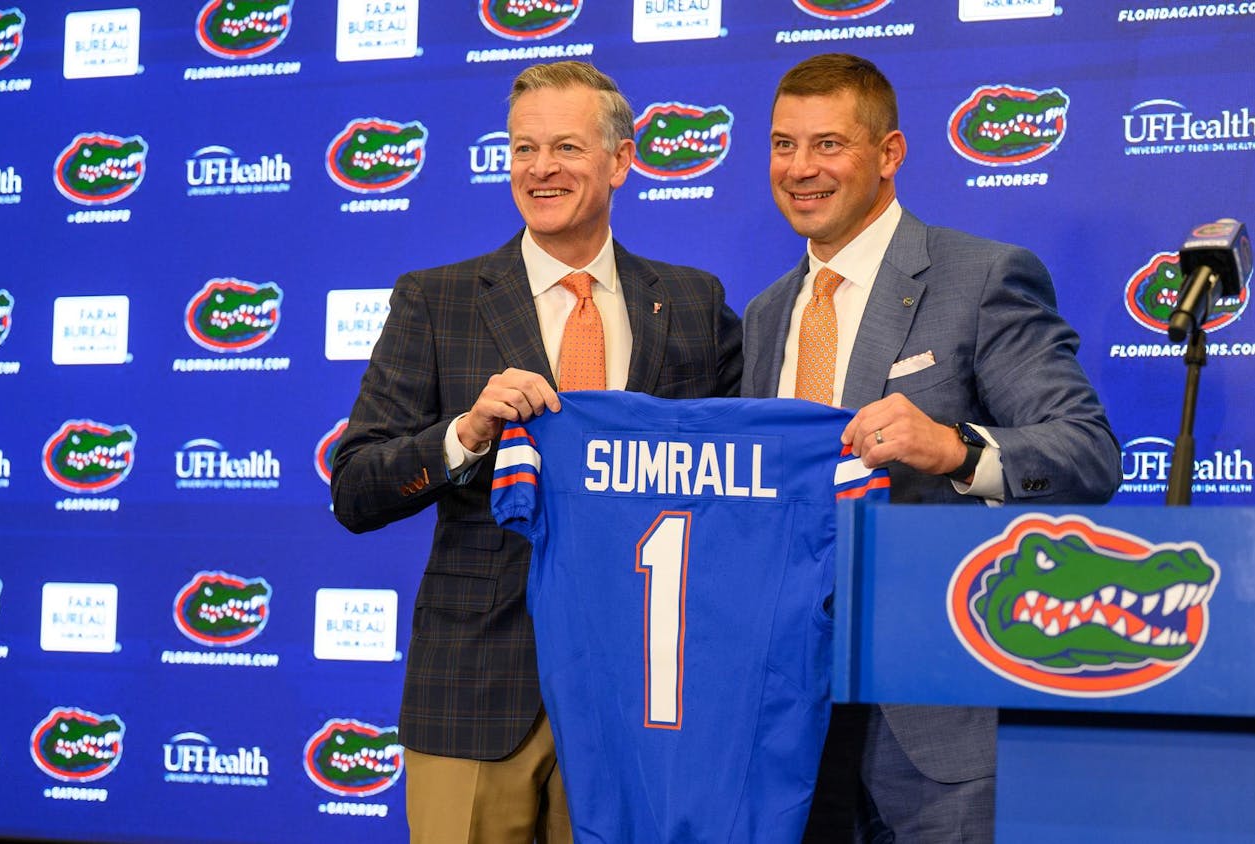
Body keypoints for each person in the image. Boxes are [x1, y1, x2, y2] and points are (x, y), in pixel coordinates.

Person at [330, 61, 742, 843]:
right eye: (523, 149)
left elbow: (732, 489)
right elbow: (354, 489)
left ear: (622, 160)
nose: (540, 169)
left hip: (643, 700)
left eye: (566, 148)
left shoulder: (693, 304)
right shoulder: (436, 299)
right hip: (479, 690)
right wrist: (465, 434)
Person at [743, 53, 1120, 842]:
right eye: (783, 145)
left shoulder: (981, 276)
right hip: (788, 722)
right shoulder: (768, 312)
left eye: (827, 145)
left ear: (889, 154)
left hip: (935, 716)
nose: (800, 169)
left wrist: (955, 448)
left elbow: (1086, 451)